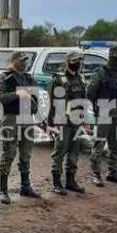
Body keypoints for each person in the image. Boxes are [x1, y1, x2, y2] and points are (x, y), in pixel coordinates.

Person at [0, 51, 42, 204]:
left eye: (26, 60)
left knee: (26, 154)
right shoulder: (4, 77)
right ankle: (3, 189)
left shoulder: (29, 78)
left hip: (27, 118)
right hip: (10, 118)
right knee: (9, 153)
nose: (24, 63)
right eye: (21, 60)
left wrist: (34, 106)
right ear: (13, 60)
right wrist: (17, 94)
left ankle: (25, 186)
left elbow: (35, 98)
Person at [87, 45, 117, 187]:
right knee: (99, 144)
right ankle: (95, 173)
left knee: (115, 144)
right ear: (113, 57)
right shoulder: (101, 72)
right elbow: (91, 92)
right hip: (104, 112)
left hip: (116, 112)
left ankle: (112, 172)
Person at [47, 51, 87, 195]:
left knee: (74, 152)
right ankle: (57, 183)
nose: (77, 63)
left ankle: (71, 181)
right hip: (61, 121)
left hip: (76, 121)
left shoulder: (80, 79)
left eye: (79, 61)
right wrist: (51, 123)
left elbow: (83, 101)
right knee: (60, 152)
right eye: (74, 60)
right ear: (67, 62)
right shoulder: (58, 80)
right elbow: (52, 103)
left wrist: (84, 120)